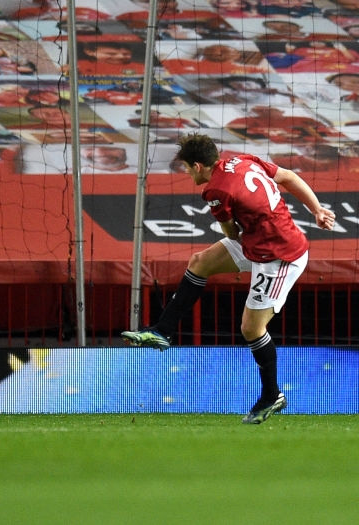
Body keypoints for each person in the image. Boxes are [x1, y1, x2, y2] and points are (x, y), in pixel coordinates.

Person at [122, 133, 335, 424]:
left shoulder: (216, 192)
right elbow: (288, 176)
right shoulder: (242, 160)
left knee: (251, 328)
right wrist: (317, 209)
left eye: (185, 167)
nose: (185, 172)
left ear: (198, 166)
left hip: (279, 256)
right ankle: (163, 330)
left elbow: (231, 234)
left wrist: (241, 222)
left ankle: (272, 395)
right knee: (200, 262)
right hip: (259, 241)